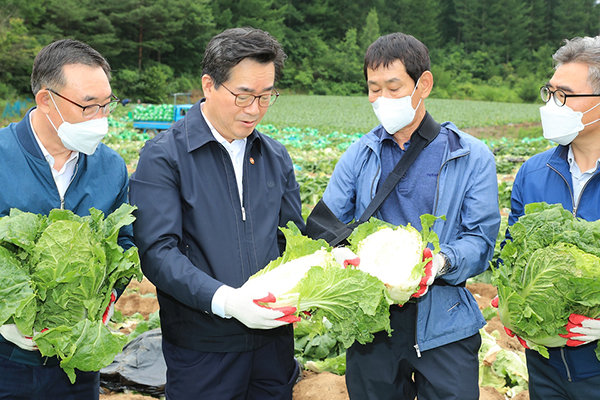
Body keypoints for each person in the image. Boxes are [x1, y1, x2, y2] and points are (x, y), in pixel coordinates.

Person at [308, 32, 501, 399]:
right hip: (372, 323)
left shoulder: (470, 156)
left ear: (422, 84)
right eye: (373, 88)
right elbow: (323, 225)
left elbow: (480, 240)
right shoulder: (359, 154)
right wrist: (344, 256)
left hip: (444, 322)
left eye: (393, 88)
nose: (381, 100)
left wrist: (440, 262)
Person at [129, 27, 305, 399]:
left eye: (266, 96)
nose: (255, 109)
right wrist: (226, 300)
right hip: (203, 346)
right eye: (243, 95)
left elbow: (292, 240)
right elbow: (158, 253)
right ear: (209, 85)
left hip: (272, 343)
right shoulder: (164, 156)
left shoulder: (274, 156)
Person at [0, 39, 134, 399]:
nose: (101, 119)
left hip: (76, 365)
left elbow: (123, 245)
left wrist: (105, 300)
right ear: (46, 101)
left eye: (107, 105)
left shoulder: (111, 167)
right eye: (88, 107)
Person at [504, 36, 600, 400]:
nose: (550, 104)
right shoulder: (532, 172)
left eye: (564, 95)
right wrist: (510, 297)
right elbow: (511, 251)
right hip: (544, 365)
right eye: (549, 92)